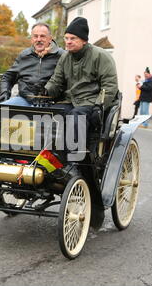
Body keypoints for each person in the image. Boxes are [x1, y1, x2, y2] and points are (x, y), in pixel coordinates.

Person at [44, 17, 119, 229]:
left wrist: (99, 105)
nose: (67, 42)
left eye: (72, 39)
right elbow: (57, 81)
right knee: (49, 116)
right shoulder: (65, 58)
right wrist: (45, 91)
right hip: (69, 100)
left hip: (90, 103)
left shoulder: (101, 57)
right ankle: (50, 160)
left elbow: (110, 85)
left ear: (84, 40)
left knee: (75, 117)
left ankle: (73, 165)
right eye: (66, 38)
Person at [0, 23, 64, 106]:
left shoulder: (62, 56)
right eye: (35, 36)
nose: (38, 39)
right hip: (24, 100)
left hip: (51, 103)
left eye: (42, 36)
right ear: (32, 39)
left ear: (50, 39)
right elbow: (8, 77)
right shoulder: (24, 55)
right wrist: (4, 93)